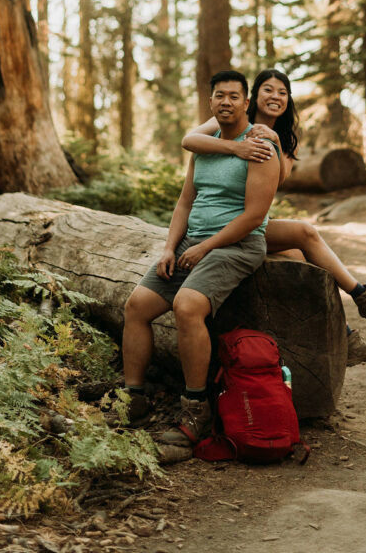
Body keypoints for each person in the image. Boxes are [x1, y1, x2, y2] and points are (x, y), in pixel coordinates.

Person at [182, 68, 366, 367]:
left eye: (282, 92)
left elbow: (277, 181)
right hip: (225, 221)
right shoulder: (229, 119)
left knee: (302, 263)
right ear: (252, 97)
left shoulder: (286, 138)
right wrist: (238, 147)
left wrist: (275, 141)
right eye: (268, 90)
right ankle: (363, 296)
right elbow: (189, 139)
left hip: (253, 219)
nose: (275, 96)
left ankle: (348, 337)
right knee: (305, 233)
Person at [122, 70, 279, 447]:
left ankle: (196, 409)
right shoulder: (205, 147)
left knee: (187, 305)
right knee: (136, 305)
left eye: (234, 96)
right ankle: (133, 400)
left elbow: (254, 217)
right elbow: (185, 202)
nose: (226, 102)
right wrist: (168, 247)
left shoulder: (260, 148)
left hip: (236, 246)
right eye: (219, 96)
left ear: (247, 102)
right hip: (191, 242)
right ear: (210, 103)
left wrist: (205, 247)